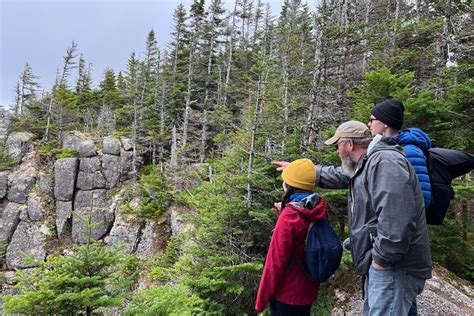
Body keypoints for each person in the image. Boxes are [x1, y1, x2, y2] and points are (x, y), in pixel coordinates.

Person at [273, 121, 432, 315]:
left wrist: (380, 260)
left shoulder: (385, 162)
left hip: (393, 267)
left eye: (337, 145)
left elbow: (397, 220)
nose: (336, 151)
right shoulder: (367, 163)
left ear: (349, 144)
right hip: (390, 265)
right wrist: (301, 172)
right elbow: (340, 175)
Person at [369, 99, 432, 316]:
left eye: (372, 120)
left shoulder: (406, 152)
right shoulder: (390, 150)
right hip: (400, 244)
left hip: (402, 248)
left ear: (385, 124)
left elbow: (413, 201)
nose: (368, 124)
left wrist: (383, 255)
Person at [255, 158, 329, 315]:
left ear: (289, 185)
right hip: (308, 290)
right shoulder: (318, 206)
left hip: (286, 295)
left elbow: (275, 262)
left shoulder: (289, 217)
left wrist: (261, 301)